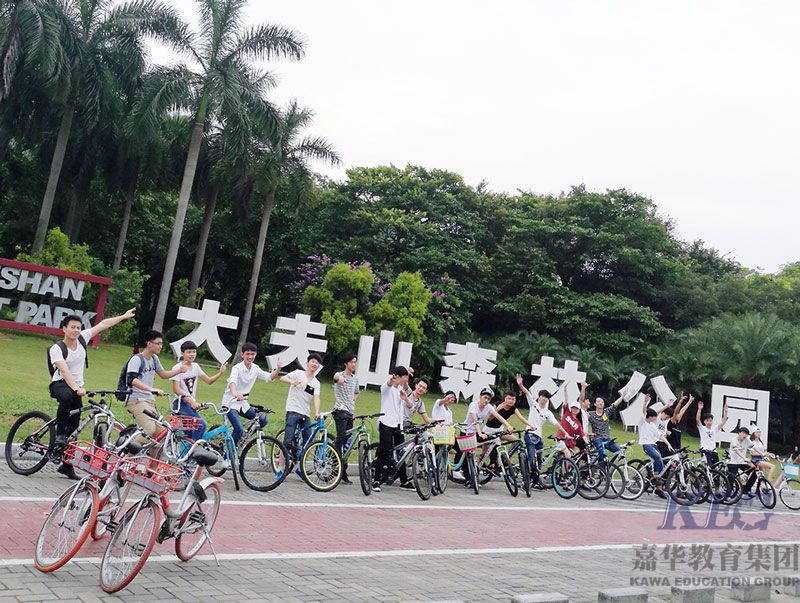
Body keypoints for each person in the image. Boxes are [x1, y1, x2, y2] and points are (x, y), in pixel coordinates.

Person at [49, 309, 136, 479]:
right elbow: (64, 371)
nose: (76, 330)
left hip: (77, 387)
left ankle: (67, 465)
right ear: (64, 329)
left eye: (78, 327)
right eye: (72, 327)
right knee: (66, 398)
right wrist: (75, 388)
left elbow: (103, 324)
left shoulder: (82, 338)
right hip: (60, 384)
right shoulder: (56, 348)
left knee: (74, 427)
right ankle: (59, 435)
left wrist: (123, 316)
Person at [124, 330, 188, 442]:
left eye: (161, 344)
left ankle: (152, 459)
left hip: (149, 401)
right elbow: (131, 380)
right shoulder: (137, 359)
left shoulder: (154, 359)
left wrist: (179, 370)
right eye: (158, 343)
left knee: (162, 434)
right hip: (136, 400)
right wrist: (151, 389)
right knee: (149, 429)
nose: (160, 346)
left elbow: (163, 375)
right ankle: (126, 453)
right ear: (149, 344)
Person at [221, 342, 280, 444]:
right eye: (247, 354)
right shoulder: (237, 368)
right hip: (230, 404)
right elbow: (232, 382)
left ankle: (243, 438)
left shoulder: (255, 368)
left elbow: (269, 377)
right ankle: (229, 451)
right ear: (242, 355)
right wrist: (235, 393)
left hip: (243, 404)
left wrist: (278, 369)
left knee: (262, 420)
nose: (250, 357)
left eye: (252, 354)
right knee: (238, 429)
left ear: (255, 355)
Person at [170, 340, 227, 440]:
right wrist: (191, 402)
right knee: (201, 425)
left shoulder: (195, 367)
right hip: (180, 404)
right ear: (182, 353)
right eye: (189, 352)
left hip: (191, 405)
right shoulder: (177, 368)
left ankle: (187, 451)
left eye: (194, 352)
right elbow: (176, 389)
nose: (192, 354)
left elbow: (208, 381)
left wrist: (220, 373)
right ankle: (194, 453)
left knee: (192, 431)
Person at [515, 374, 569, 467]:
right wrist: (520, 385)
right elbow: (527, 393)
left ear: (548, 399)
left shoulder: (548, 412)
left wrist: (565, 433)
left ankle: (535, 478)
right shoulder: (533, 405)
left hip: (539, 437)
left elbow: (556, 423)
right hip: (530, 434)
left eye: (546, 397)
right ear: (539, 397)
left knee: (539, 462)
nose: (544, 398)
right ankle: (526, 478)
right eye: (542, 396)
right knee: (531, 458)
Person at [374, 366, 412, 492]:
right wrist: (392, 379)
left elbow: (410, 405)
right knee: (384, 452)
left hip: (397, 425)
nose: (406, 379)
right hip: (386, 423)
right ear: (400, 377)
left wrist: (405, 398)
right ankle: (376, 480)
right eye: (405, 377)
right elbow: (388, 384)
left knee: (401, 452)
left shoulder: (401, 390)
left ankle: (404, 480)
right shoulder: (387, 388)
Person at [279, 353, 323, 456]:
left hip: (305, 413)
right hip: (293, 410)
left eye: (317, 363)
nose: (314, 364)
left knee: (308, 441)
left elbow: (316, 397)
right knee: (287, 440)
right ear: (307, 363)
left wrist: (317, 412)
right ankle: (280, 467)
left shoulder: (316, 383)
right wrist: (291, 381)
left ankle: (300, 464)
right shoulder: (298, 373)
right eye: (312, 361)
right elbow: (282, 378)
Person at [332, 353, 359, 484]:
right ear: (346, 363)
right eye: (352, 362)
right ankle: (335, 465)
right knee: (341, 437)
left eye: (355, 362)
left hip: (350, 412)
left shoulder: (355, 379)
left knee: (347, 442)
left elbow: (356, 392)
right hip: (340, 410)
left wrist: (352, 401)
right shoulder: (340, 375)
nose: (354, 364)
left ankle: (342, 470)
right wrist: (339, 379)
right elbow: (335, 377)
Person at [639, 394, 672, 497]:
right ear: (651, 417)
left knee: (661, 462)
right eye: (654, 417)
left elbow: (660, 435)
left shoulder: (652, 425)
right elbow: (644, 411)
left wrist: (668, 444)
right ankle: (655, 477)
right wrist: (645, 402)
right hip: (646, 444)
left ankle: (658, 488)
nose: (655, 418)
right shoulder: (643, 422)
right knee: (657, 457)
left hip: (654, 445)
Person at [585, 389, 626, 463]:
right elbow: (582, 417)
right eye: (599, 401)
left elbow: (614, 405)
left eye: (602, 402)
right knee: (601, 454)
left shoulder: (606, 412)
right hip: (597, 439)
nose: (601, 403)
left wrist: (622, 397)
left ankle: (610, 467)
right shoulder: (590, 414)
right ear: (595, 404)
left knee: (620, 452)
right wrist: (587, 433)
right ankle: (601, 471)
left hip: (607, 439)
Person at [696, 400, 728, 467]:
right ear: (704, 421)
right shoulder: (702, 428)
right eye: (707, 421)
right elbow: (697, 420)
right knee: (710, 467)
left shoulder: (714, 428)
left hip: (713, 451)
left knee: (717, 468)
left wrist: (726, 412)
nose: (709, 422)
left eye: (710, 421)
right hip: (705, 451)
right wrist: (699, 409)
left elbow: (723, 422)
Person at [727, 426, 757, 494]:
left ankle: (745, 490)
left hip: (742, 462)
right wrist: (744, 458)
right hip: (733, 462)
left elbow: (754, 447)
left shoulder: (746, 440)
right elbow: (737, 451)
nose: (745, 435)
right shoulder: (733, 440)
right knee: (732, 477)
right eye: (743, 433)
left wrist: (763, 454)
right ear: (739, 433)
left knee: (754, 473)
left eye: (746, 434)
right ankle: (728, 494)